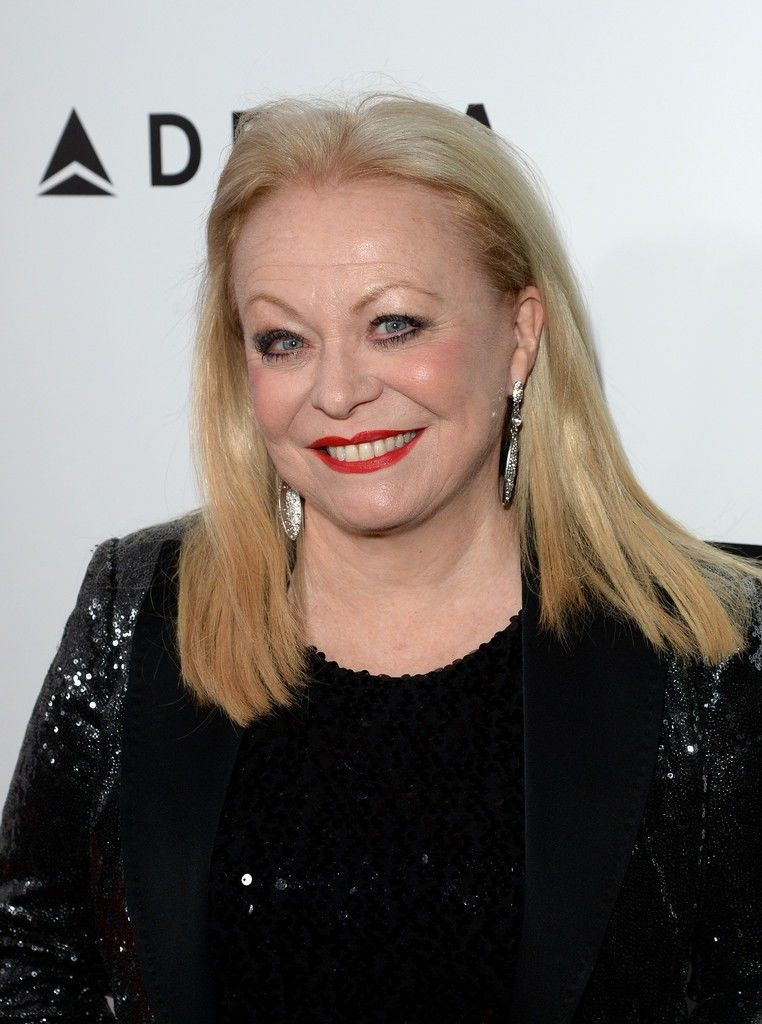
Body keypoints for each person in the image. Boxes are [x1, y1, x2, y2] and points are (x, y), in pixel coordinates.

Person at [1, 92, 760, 1024]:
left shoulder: (711, 646)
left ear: (520, 335)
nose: (338, 391)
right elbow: (31, 956)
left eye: (394, 324)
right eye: (284, 341)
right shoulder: (140, 606)